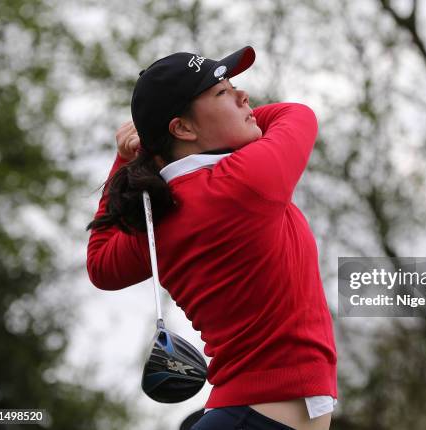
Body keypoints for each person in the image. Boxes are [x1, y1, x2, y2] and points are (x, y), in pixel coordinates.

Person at [86, 46, 337, 430]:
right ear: (183, 129)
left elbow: (101, 265)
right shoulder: (246, 178)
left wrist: (129, 157)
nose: (243, 96)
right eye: (222, 93)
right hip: (252, 418)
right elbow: (295, 114)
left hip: (244, 414)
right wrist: (244, 125)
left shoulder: (158, 214)